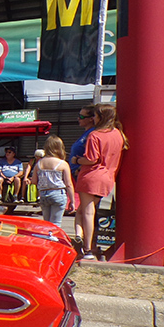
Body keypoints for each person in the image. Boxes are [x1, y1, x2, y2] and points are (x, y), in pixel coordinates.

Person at [73, 104, 128, 260]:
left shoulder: (95, 135)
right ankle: (82, 239)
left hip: (91, 176)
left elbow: (91, 159)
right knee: (84, 211)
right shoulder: (118, 134)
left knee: (88, 212)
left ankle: (87, 248)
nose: (93, 119)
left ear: (101, 117)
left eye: (95, 116)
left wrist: (77, 160)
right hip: (108, 178)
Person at [30, 136, 75, 227]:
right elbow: (69, 184)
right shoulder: (62, 163)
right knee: (56, 223)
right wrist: (72, 201)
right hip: (58, 193)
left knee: (47, 223)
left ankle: (47, 238)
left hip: (43, 194)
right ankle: (54, 239)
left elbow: (34, 181)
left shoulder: (39, 164)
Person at [69, 104, 96, 236]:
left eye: (81, 116)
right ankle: (82, 238)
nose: (78, 119)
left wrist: (79, 165)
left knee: (85, 211)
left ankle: (85, 241)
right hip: (79, 174)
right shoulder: (87, 133)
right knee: (84, 210)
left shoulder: (92, 134)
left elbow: (93, 157)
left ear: (91, 118)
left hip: (84, 174)